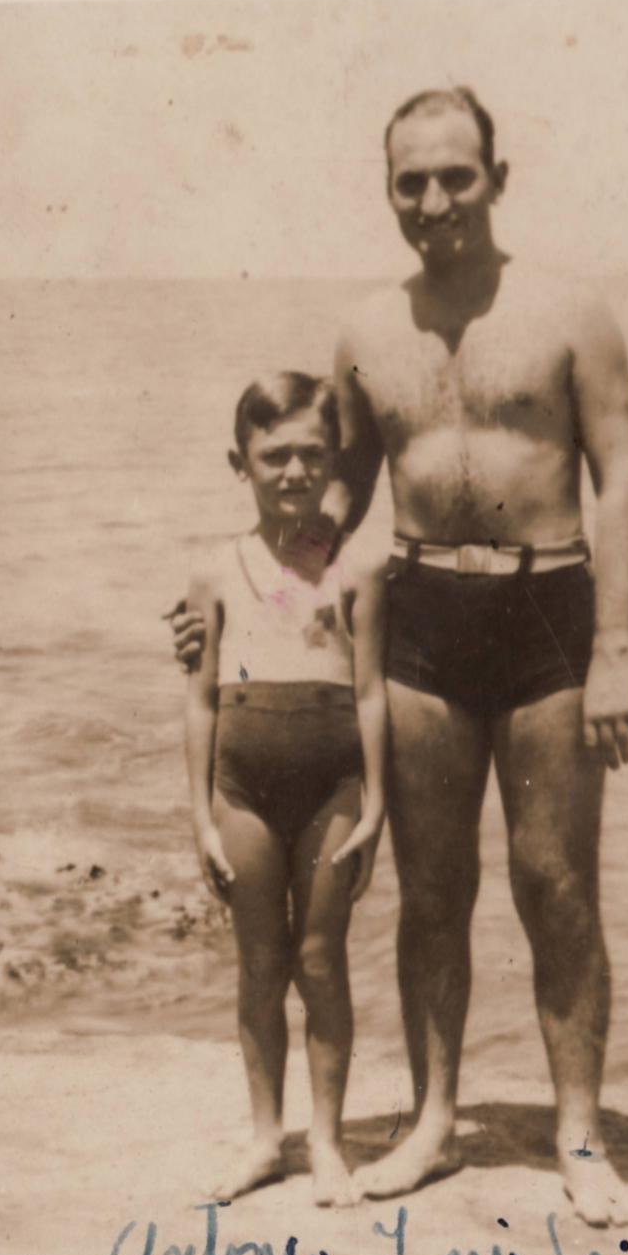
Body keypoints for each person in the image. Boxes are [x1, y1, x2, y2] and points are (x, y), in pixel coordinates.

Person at [175, 87, 628, 1227]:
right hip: (426, 611)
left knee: (557, 881)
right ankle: (436, 1120)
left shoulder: (569, 311)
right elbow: (327, 498)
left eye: (456, 177)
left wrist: (621, 647)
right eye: (410, 182)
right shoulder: (365, 332)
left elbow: (622, 475)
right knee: (431, 889)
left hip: (549, 614)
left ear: (497, 174)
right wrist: (230, 607)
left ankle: (577, 1128)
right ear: (389, 188)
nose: (434, 201)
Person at [184, 372, 387, 1208]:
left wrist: (376, 803)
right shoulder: (213, 570)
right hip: (243, 788)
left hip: (336, 782)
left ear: (334, 459)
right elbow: (197, 700)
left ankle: (328, 1143)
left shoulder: (357, 570)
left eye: (312, 453)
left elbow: (372, 691)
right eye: (275, 456)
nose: (295, 471)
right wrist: (198, 813)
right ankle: (267, 1138)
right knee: (261, 963)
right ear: (242, 462)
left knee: (321, 959)